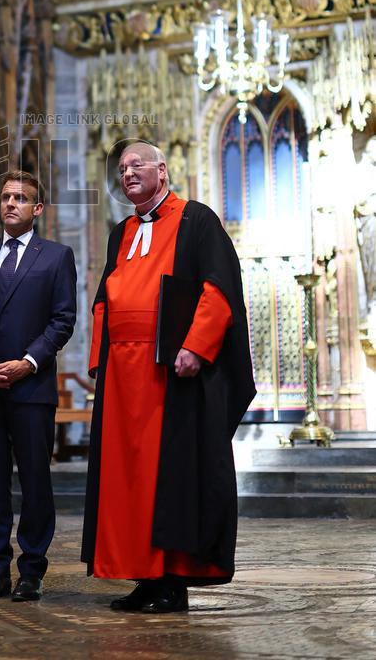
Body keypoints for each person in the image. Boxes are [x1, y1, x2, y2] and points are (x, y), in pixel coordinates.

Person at [81, 142, 255, 613]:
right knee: (128, 478)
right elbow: (103, 299)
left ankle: (172, 581)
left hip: (170, 374)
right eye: (121, 169)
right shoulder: (121, 232)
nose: (127, 173)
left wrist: (196, 346)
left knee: (168, 477)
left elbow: (218, 289)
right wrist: (100, 357)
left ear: (162, 169)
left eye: (137, 165)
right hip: (123, 376)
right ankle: (143, 576)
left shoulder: (197, 220)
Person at [0, 170, 76, 603]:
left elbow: (63, 320)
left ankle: (33, 570)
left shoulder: (57, 257)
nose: (10, 204)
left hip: (31, 387)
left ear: (37, 208)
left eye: (21, 198)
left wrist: (26, 363)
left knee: (36, 481)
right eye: (6, 197)